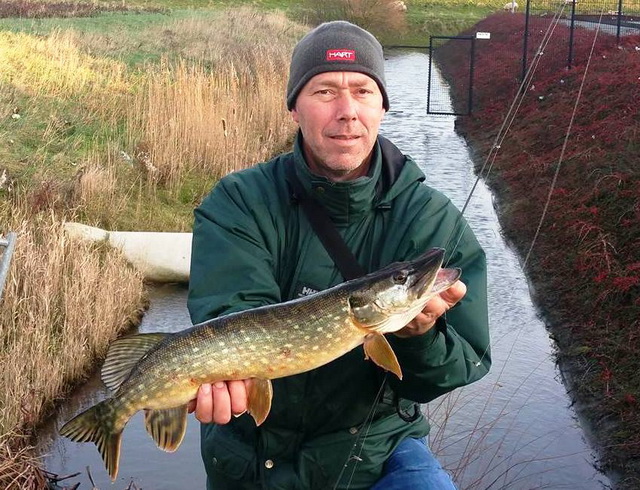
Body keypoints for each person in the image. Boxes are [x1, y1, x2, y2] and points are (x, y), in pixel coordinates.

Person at [187, 20, 490, 490]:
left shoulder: (431, 219)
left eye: (364, 92)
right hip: (254, 455)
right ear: (294, 109)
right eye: (325, 91)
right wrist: (226, 380)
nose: (347, 112)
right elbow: (232, 311)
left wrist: (420, 336)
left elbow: (451, 373)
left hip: (378, 450)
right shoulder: (239, 201)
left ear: (383, 107)